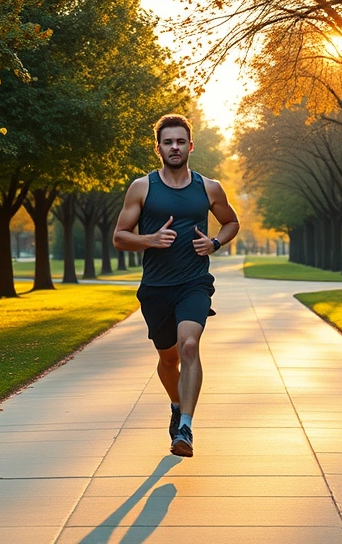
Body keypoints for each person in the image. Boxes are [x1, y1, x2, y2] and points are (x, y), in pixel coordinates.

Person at [113, 113, 240, 457]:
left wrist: (214, 243)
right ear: (158, 148)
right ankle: (175, 403)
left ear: (190, 146)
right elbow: (120, 237)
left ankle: (185, 426)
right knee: (168, 359)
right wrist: (150, 240)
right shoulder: (143, 187)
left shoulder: (209, 187)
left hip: (194, 283)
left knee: (188, 346)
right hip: (156, 288)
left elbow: (231, 222)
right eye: (168, 142)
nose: (174, 147)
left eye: (180, 141)